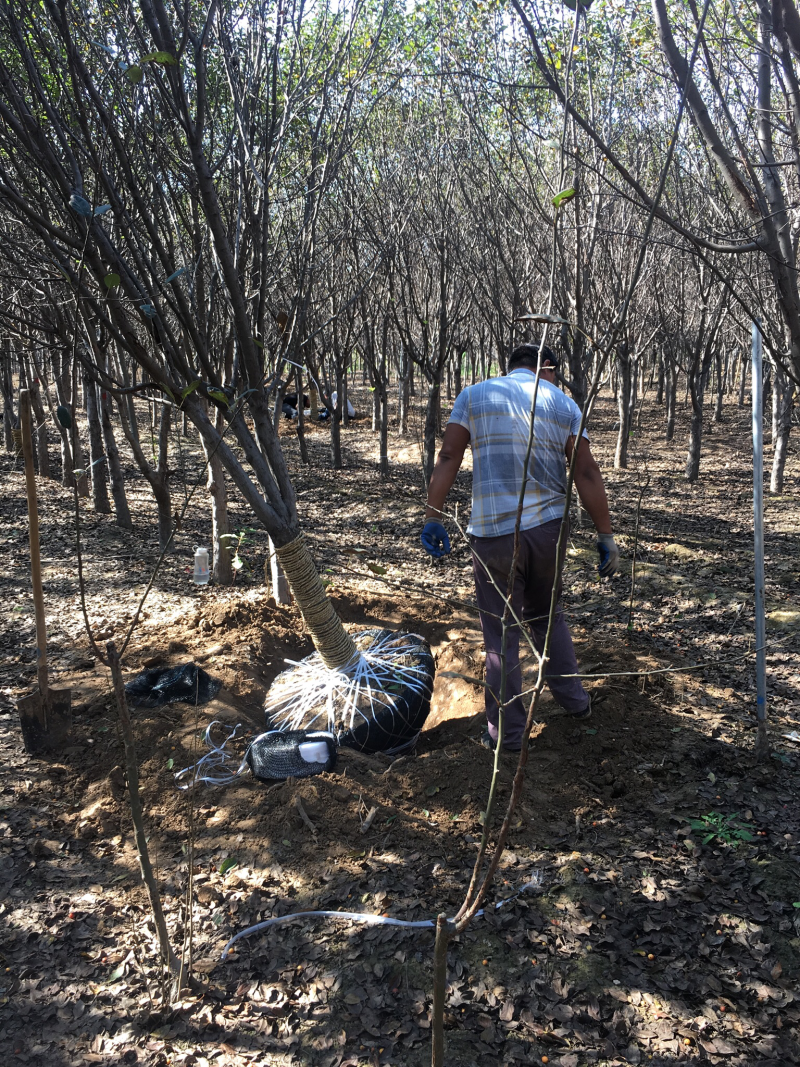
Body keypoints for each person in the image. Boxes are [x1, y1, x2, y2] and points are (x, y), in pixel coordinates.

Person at [420, 343, 618, 752]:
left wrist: (432, 515)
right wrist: (606, 534)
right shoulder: (563, 404)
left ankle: (507, 737)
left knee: (501, 633)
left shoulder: (474, 396)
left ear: (509, 369)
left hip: (493, 534)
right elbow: (585, 470)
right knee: (548, 616)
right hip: (547, 532)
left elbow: (448, 455)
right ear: (546, 369)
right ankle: (576, 704)